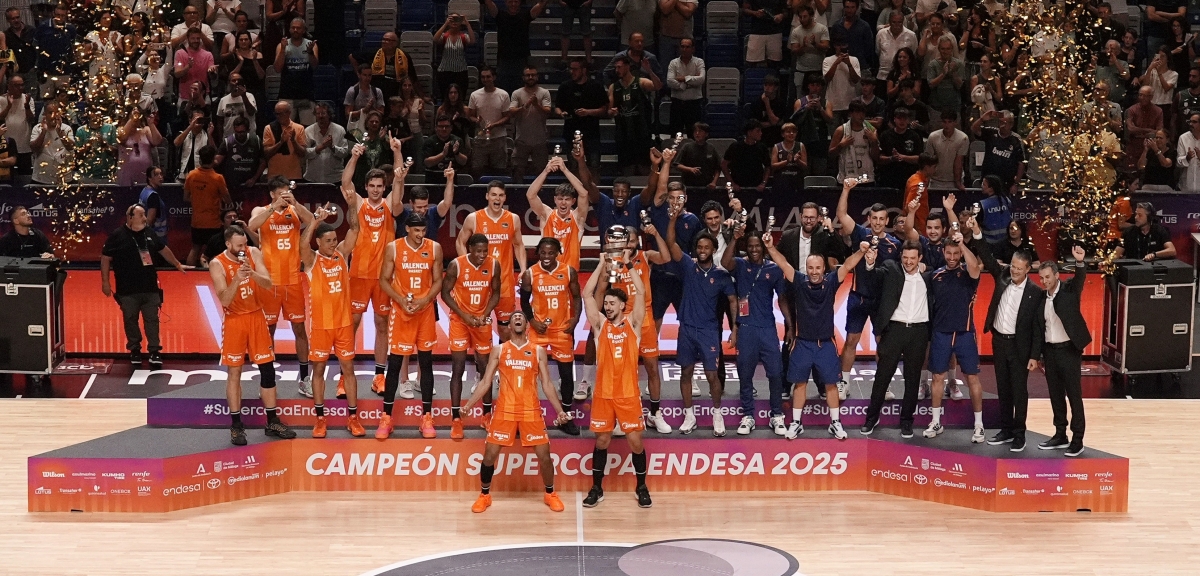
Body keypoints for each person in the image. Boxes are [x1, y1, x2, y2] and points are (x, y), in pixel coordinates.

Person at [463, 310, 571, 513]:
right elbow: (486, 382)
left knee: (545, 455)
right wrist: (468, 406)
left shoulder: (538, 351)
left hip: (530, 410)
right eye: (514, 318)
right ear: (510, 327)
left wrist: (560, 411)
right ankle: (484, 495)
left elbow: (547, 383)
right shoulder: (499, 350)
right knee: (489, 455)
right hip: (505, 410)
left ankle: (550, 494)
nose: (518, 319)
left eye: (521, 317)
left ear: (527, 326)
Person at [764, 232, 869, 439]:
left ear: (823, 269)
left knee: (831, 385)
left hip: (826, 344)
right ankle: (796, 423)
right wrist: (770, 248)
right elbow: (783, 263)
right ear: (806, 268)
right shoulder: (799, 281)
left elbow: (847, 265)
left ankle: (835, 423)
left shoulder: (831, 282)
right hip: (802, 344)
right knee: (800, 384)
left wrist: (862, 251)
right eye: (810, 268)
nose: (814, 272)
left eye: (818, 268)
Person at [208, 225, 297, 445]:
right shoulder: (217, 264)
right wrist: (238, 278)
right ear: (228, 244)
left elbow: (268, 284)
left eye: (244, 244)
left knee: (267, 368)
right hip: (235, 320)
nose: (242, 249)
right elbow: (225, 300)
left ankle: (272, 420)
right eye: (238, 246)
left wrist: (252, 272)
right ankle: (236, 425)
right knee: (235, 371)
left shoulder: (253, 253)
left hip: (257, 316)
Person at [580, 250, 653, 508]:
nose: (608, 306)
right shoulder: (600, 326)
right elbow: (587, 295)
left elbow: (641, 293)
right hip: (603, 394)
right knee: (602, 441)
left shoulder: (633, 324)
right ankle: (596, 488)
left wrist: (628, 263)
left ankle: (641, 487)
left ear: (622, 305)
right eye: (607, 303)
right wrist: (601, 264)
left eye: (612, 303)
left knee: (635, 442)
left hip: (628, 395)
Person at [342, 139, 405, 397]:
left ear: (384, 187)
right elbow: (346, 183)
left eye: (380, 186)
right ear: (366, 187)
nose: (376, 190)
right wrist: (355, 157)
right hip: (358, 273)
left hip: (383, 278)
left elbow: (399, 181)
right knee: (352, 323)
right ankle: (344, 376)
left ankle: (379, 376)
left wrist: (397, 152)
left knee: (382, 324)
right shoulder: (359, 204)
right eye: (372, 186)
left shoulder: (391, 206)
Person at [666, 212, 737, 436]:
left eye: (707, 247)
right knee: (685, 373)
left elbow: (734, 301)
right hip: (686, 328)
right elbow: (670, 243)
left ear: (713, 250)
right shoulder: (688, 266)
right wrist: (673, 219)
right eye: (699, 247)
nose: (703, 250)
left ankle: (717, 414)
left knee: (712, 375)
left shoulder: (722, 275)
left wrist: (735, 328)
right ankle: (689, 416)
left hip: (709, 331)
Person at [299, 203, 366, 439]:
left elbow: (355, 231)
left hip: (344, 324)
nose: (333, 243)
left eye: (334, 239)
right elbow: (301, 245)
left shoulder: (342, 255)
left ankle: (353, 418)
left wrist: (352, 204)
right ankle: (320, 419)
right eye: (328, 240)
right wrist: (316, 220)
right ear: (318, 242)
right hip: (321, 326)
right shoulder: (312, 260)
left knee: (348, 369)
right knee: (319, 370)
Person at [376, 213, 444, 439]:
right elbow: (384, 280)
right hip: (401, 311)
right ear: (407, 229)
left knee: (426, 362)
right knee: (394, 364)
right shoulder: (393, 248)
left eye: (423, 230)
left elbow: (438, 281)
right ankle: (386, 417)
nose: (420, 235)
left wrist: (425, 300)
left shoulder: (434, 248)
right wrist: (399, 299)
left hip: (424, 312)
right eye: (416, 230)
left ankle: (426, 417)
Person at [974, 230, 1043, 452]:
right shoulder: (1002, 275)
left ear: (1028, 270)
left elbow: (1037, 328)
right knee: (1002, 387)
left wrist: (1034, 356)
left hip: (1019, 347)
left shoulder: (1035, 293)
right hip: (999, 342)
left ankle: (1019, 433)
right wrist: (976, 232)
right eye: (1012, 266)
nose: (1013, 270)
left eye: (1018, 268)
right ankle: (1005, 430)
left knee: (1019, 390)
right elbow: (986, 255)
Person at [721, 225, 793, 436]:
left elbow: (782, 299)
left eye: (757, 246)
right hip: (746, 329)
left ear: (763, 247)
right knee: (745, 374)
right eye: (750, 246)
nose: (754, 250)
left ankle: (777, 415)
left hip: (768, 329)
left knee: (776, 374)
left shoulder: (774, 269)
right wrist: (734, 239)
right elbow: (725, 263)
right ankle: (748, 416)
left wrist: (790, 326)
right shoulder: (741, 265)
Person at [246, 176, 315, 395]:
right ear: (272, 194)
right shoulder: (261, 210)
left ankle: (304, 379)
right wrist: (273, 208)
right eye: (281, 193)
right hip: (269, 281)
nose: (285, 196)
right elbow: (252, 225)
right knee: (268, 332)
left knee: (300, 330)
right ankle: (268, 381)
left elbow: (312, 220)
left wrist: (294, 203)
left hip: (293, 279)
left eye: (288, 192)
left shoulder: (294, 210)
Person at [100, 204, 190, 369]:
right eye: (141, 215)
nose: (145, 218)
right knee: (130, 320)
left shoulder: (149, 233)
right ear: (130, 217)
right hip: (127, 289)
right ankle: (135, 349)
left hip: (149, 287)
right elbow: (105, 258)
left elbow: (163, 249)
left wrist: (178, 264)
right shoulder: (117, 235)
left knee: (152, 320)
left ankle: (154, 351)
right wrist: (105, 282)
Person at [858, 239, 931, 438]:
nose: (908, 262)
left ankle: (907, 421)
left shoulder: (928, 275)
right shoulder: (891, 268)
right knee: (882, 377)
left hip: (918, 332)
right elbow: (873, 280)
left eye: (913, 258)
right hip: (894, 331)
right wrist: (870, 264)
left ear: (920, 258)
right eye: (905, 258)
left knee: (913, 380)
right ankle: (871, 418)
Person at [921, 219, 985, 443]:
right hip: (941, 333)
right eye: (948, 253)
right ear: (943, 253)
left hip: (965, 333)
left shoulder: (969, 274)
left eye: (955, 253)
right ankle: (936, 421)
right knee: (937, 378)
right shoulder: (935, 276)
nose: (951, 257)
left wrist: (963, 245)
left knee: (972, 379)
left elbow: (976, 267)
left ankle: (979, 426)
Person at [836, 178, 900, 399]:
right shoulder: (860, 235)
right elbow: (842, 216)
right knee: (851, 340)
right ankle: (844, 383)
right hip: (858, 297)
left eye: (882, 219)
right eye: (874, 218)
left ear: (887, 220)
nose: (878, 222)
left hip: (882, 302)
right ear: (869, 219)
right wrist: (846, 190)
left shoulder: (895, 245)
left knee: (882, 345)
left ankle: (884, 385)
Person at [520, 237, 583, 435]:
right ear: (538, 253)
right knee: (528, 375)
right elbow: (523, 301)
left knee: (566, 375)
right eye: (543, 253)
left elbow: (576, 297)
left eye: (551, 253)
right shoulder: (530, 274)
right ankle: (525, 417)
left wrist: (575, 319)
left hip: (562, 331)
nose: (546, 257)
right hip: (539, 331)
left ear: (558, 253)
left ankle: (565, 416)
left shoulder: (568, 271)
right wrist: (532, 321)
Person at [442, 233, 503, 433]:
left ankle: (487, 415)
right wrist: (463, 315)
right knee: (458, 367)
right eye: (478, 251)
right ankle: (456, 419)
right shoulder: (456, 265)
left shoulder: (493, 265)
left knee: (485, 369)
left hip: (481, 321)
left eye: (485, 251)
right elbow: (445, 293)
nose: (482, 255)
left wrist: (485, 314)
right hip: (460, 320)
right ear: (470, 249)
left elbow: (496, 293)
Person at [1034, 246, 1090, 457]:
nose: (1044, 281)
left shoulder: (1069, 290)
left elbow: (1080, 278)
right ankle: (1060, 434)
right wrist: (1039, 355)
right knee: (1056, 395)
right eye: (1041, 278)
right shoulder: (1042, 298)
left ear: (1057, 275)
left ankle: (1078, 439)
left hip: (1069, 351)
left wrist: (1080, 262)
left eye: (1048, 277)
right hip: (1050, 352)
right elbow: (1040, 329)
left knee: (1074, 396)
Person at [456, 181, 527, 341]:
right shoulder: (474, 218)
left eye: (501, 195)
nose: (497, 199)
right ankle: (481, 362)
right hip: (480, 283)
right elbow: (460, 242)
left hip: (504, 283)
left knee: (505, 328)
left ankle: (504, 362)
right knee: (479, 325)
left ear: (505, 198)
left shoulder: (513, 219)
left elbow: (518, 244)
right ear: (487, 196)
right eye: (494, 195)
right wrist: (465, 265)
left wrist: (523, 269)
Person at [526, 157, 591, 271]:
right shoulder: (547, 215)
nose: (563, 203)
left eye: (567, 199)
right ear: (555, 199)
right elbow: (530, 195)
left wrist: (565, 170)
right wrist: (546, 171)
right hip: (547, 271)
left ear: (573, 201)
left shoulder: (577, 217)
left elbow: (584, 194)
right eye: (560, 199)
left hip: (570, 273)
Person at [608, 55, 660, 176]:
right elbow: (609, 110)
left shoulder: (641, 82)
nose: (617, 70)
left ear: (627, 66)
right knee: (627, 168)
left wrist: (649, 71)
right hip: (623, 134)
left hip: (642, 133)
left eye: (619, 67)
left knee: (645, 167)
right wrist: (612, 112)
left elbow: (658, 86)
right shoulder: (613, 87)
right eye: (615, 68)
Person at [555, 58, 608, 172]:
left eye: (575, 69)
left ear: (584, 70)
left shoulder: (596, 86)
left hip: (591, 133)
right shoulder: (565, 86)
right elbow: (557, 107)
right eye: (570, 69)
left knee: (594, 166)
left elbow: (604, 109)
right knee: (573, 167)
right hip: (571, 133)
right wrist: (561, 113)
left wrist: (588, 112)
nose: (572, 72)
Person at [183, 145, 231, 266]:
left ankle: (189, 276)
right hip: (213, 222)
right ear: (213, 159)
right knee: (215, 252)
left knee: (195, 249)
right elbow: (227, 199)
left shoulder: (191, 175)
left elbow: (186, 197)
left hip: (197, 221)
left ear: (200, 159)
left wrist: (199, 199)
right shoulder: (218, 178)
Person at [483, 0, 545, 92]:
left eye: (516, 2)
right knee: (502, 91)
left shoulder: (525, 15)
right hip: (504, 60)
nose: (513, 4)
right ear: (506, 2)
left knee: (522, 91)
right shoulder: (499, 15)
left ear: (519, 2)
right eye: (510, 2)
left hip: (521, 60)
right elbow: (488, 2)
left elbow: (541, 4)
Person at [509, 65, 552, 182]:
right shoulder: (517, 93)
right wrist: (526, 105)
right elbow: (512, 111)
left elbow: (547, 111)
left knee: (542, 173)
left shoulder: (544, 92)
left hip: (540, 141)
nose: (530, 77)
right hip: (521, 140)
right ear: (523, 77)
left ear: (537, 77)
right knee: (517, 171)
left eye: (533, 75)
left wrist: (536, 104)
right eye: (528, 75)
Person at [467, 66, 510, 179]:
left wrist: (494, 125)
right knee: (477, 169)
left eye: (488, 77)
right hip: (481, 137)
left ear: (494, 77)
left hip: (498, 137)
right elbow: (471, 115)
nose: (485, 79)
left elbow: (507, 117)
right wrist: (476, 120)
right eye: (483, 77)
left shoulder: (503, 95)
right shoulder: (475, 95)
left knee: (499, 169)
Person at [971, 110, 1025, 194]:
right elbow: (974, 129)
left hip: (1006, 184)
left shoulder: (1016, 140)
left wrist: (1016, 183)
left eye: (1005, 123)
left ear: (1011, 125)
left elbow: (1021, 163)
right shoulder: (991, 133)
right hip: (988, 182)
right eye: (1000, 122)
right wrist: (982, 119)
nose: (1002, 125)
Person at [273, 18, 316, 123]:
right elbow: (277, 68)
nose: (295, 30)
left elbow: (315, 66)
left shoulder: (311, 44)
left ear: (303, 30)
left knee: (308, 130)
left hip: (306, 94)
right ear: (289, 29)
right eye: (293, 27)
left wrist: (310, 53)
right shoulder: (282, 45)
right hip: (287, 94)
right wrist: (283, 50)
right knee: (285, 127)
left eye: (298, 28)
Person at [876, 108, 925, 192]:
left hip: (909, 178)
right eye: (899, 118)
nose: (902, 121)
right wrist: (891, 158)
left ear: (908, 120)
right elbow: (879, 158)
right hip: (888, 179)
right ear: (894, 119)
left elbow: (919, 159)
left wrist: (903, 157)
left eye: (904, 119)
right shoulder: (885, 135)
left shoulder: (914, 136)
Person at [666, 38, 705, 139]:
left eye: (687, 47)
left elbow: (701, 79)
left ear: (693, 49)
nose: (684, 49)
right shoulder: (673, 63)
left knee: (695, 137)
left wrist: (684, 78)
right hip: (677, 104)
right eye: (682, 46)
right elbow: (670, 81)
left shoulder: (699, 62)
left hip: (694, 105)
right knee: (675, 137)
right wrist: (689, 83)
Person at [831, 100, 877, 184]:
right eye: (858, 112)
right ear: (850, 114)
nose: (861, 115)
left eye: (863, 112)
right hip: (846, 178)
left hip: (867, 179)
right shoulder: (841, 130)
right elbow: (831, 155)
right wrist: (841, 145)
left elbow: (876, 157)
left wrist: (874, 142)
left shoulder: (871, 131)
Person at [29, 102, 74, 185]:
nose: (54, 116)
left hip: (64, 178)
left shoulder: (67, 129)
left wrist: (60, 132)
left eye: (57, 113)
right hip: (41, 178)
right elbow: (34, 148)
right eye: (50, 113)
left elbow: (71, 147)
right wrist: (43, 132)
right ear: (44, 114)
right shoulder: (37, 128)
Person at [303, 103, 349, 184]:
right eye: (318, 113)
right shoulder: (308, 131)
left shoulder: (340, 130)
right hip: (312, 178)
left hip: (335, 178)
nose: (321, 116)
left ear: (329, 115)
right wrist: (320, 147)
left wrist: (332, 147)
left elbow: (345, 153)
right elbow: (304, 154)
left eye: (323, 113)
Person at [216, 116, 265, 191]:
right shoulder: (228, 142)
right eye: (237, 132)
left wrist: (254, 179)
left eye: (242, 132)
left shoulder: (256, 140)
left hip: (252, 184)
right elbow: (217, 161)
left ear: (248, 130)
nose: (239, 134)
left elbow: (263, 162)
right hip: (232, 185)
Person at [0, 75, 34, 183]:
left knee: (25, 179)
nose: (20, 88)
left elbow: (31, 119)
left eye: (22, 85)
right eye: (16, 85)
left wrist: (27, 106)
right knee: (7, 179)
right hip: (7, 148)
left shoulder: (28, 99)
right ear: (9, 86)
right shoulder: (1, 99)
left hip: (24, 146)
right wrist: (9, 106)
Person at [262, 101, 307, 181]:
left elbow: (302, 153)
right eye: (276, 114)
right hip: (275, 176)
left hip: (294, 175)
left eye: (281, 114)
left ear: (289, 113)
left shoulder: (299, 128)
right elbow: (266, 153)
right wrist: (281, 142)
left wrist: (293, 141)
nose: (278, 116)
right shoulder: (269, 128)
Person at [434, 13, 475, 102]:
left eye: (457, 19)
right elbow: (435, 39)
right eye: (452, 19)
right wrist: (445, 24)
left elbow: (472, 41)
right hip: (444, 71)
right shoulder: (445, 36)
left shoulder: (464, 36)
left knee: (460, 98)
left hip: (461, 72)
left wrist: (467, 23)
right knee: (445, 98)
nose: (454, 22)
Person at [723, 120, 771, 191]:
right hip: (738, 187)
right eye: (758, 131)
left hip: (756, 187)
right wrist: (732, 183)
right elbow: (724, 165)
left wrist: (763, 183)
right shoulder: (735, 147)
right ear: (749, 132)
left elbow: (768, 167)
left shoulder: (762, 148)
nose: (761, 133)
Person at [926, 110, 968, 190]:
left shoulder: (963, 138)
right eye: (944, 122)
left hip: (953, 181)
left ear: (955, 122)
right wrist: (926, 180)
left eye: (949, 122)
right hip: (935, 180)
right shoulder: (933, 137)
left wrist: (958, 183)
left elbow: (958, 162)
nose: (947, 125)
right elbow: (928, 160)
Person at [822, 40, 863, 121]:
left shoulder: (854, 60)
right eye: (838, 45)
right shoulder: (827, 60)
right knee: (833, 131)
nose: (840, 47)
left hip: (850, 103)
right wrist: (836, 63)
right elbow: (827, 79)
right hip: (833, 103)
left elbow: (855, 80)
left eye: (843, 45)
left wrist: (849, 64)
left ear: (847, 45)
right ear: (834, 46)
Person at [676, 122, 722, 188]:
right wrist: (690, 169)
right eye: (695, 131)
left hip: (707, 185)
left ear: (706, 134)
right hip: (688, 185)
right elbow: (677, 164)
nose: (697, 133)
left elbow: (718, 167)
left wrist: (714, 182)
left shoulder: (711, 148)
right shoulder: (687, 147)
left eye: (700, 131)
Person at [744, 0, 788, 68]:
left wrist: (781, 16)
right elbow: (745, 9)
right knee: (752, 62)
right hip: (757, 31)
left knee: (775, 63)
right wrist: (755, 13)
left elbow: (786, 11)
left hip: (775, 31)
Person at [216, 72, 258, 141]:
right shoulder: (223, 100)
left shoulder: (249, 96)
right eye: (234, 80)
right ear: (229, 83)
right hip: (229, 139)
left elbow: (251, 112)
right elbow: (220, 122)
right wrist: (221, 140)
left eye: (239, 80)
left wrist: (243, 96)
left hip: (248, 138)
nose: (236, 82)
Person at [658, 0, 698, 66]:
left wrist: (672, 3)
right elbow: (665, 9)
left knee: (685, 68)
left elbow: (688, 12)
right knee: (665, 69)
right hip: (666, 39)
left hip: (685, 39)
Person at [138, 166, 170, 246]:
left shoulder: (144, 191)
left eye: (161, 174)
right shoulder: (153, 196)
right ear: (149, 178)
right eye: (156, 175)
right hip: (156, 238)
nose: (160, 177)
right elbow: (150, 219)